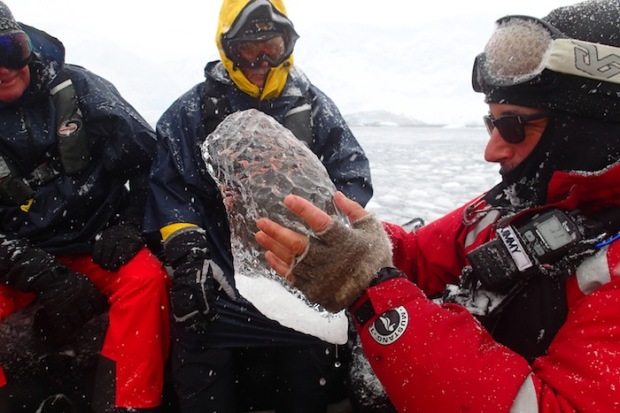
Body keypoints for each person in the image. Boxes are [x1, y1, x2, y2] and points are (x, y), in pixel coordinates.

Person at [255, 0, 620, 411]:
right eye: (491, 123)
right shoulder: (519, 203)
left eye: (513, 126)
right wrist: (332, 223)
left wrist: (372, 289)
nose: (492, 149)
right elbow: (415, 258)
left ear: (590, 129)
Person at [144, 0, 373, 411]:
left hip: (298, 269)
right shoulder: (191, 112)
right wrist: (188, 256)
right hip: (219, 273)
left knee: (312, 374)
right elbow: (173, 189)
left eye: (272, 47)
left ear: (289, 46)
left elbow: (351, 172)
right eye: (248, 50)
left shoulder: (314, 108)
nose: (262, 62)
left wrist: (330, 230)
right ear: (226, 49)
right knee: (197, 357)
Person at [0, 2, 170, 412]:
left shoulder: (82, 89)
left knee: (149, 282)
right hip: (20, 260)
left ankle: (128, 403)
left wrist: (131, 225)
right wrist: (42, 274)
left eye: (10, 50)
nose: (4, 67)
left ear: (27, 48)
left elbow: (152, 163)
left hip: (100, 244)